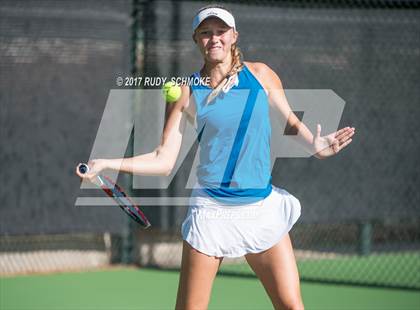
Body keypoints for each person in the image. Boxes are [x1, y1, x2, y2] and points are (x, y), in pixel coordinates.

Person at [77, 4, 355, 310]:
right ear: (196, 39)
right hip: (212, 212)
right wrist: (108, 163)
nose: (215, 38)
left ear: (234, 36)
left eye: (221, 31)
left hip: (261, 209)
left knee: (292, 306)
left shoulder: (261, 75)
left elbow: (290, 122)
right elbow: (163, 158)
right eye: (206, 33)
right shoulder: (187, 91)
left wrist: (315, 146)